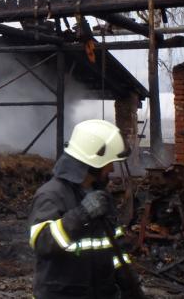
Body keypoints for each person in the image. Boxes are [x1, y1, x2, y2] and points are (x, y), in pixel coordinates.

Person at [28, 119, 136, 299]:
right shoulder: (51, 194)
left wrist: (127, 280)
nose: (112, 169)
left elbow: (115, 244)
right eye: (109, 162)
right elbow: (43, 243)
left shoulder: (101, 195)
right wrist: (81, 215)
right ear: (93, 162)